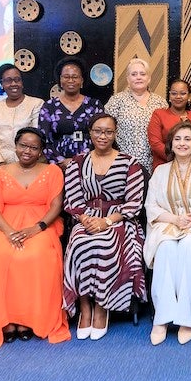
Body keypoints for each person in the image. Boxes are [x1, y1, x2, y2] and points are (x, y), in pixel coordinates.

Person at [0, 128, 69, 355]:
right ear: (15, 146)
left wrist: (36, 228)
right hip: (6, 225)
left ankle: (28, 319)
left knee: (33, 257)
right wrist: (8, 232)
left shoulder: (53, 171)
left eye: (34, 147)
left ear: (41, 151)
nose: (27, 151)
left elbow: (56, 206)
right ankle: (5, 319)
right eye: (23, 146)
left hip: (41, 224)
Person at [62, 113, 146, 340]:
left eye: (109, 132)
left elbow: (134, 204)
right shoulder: (77, 163)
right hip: (86, 218)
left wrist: (107, 221)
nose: (103, 136)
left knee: (106, 243)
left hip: (120, 220)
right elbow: (72, 200)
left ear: (115, 134)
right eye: (98, 131)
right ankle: (85, 308)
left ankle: (101, 306)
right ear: (90, 132)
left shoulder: (130, 163)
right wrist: (86, 220)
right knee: (79, 243)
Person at [144, 120, 191, 345]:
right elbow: (152, 206)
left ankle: (187, 319)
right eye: (177, 139)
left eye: (188, 139)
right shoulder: (161, 171)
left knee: (188, 246)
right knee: (166, 247)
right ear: (171, 144)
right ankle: (162, 318)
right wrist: (176, 219)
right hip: (169, 223)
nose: (182, 143)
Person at [36, 57, 103, 166]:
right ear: (60, 80)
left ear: (81, 80)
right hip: (59, 164)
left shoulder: (94, 105)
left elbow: (101, 135)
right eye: (66, 77)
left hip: (91, 163)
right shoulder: (49, 106)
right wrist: (60, 161)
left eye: (75, 77)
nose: (70, 80)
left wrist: (83, 160)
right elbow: (44, 139)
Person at [105, 57, 167, 174]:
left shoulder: (160, 102)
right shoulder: (116, 101)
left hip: (154, 164)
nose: (138, 77)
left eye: (142, 74)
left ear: (149, 78)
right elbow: (106, 131)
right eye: (134, 74)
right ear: (128, 79)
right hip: (123, 164)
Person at [0, 63, 43, 169]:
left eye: (17, 79)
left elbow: (36, 138)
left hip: (30, 166)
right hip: (1, 168)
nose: (13, 84)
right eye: (8, 80)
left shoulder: (36, 104)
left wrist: (24, 163)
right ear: (2, 84)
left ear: (22, 82)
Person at [147, 78, 191, 166]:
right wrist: (179, 158)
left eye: (183, 93)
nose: (178, 97)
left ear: (189, 96)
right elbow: (155, 143)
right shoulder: (159, 114)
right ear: (169, 96)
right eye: (174, 93)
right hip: (166, 166)